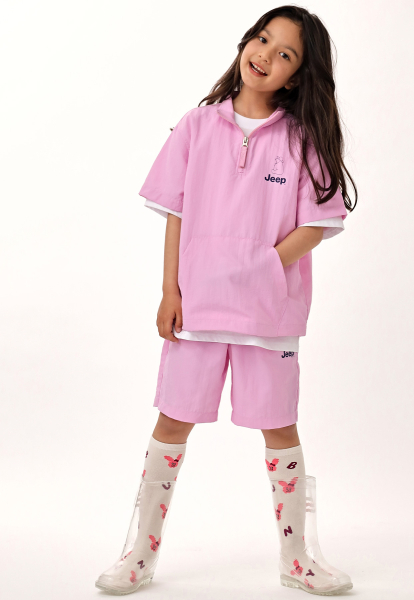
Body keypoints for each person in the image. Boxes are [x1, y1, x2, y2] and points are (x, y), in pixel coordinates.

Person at [96, 4, 357, 596]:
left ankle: (298, 559)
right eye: (262, 39)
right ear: (245, 43)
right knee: (172, 422)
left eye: (285, 53)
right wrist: (170, 291)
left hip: (270, 314)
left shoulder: (302, 138)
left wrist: (264, 265)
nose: (265, 55)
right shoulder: (197, 125)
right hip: (198, 309)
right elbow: (176, 212)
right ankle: (139, 555)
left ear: (296, 75)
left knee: (281, 428)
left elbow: (318, 223)